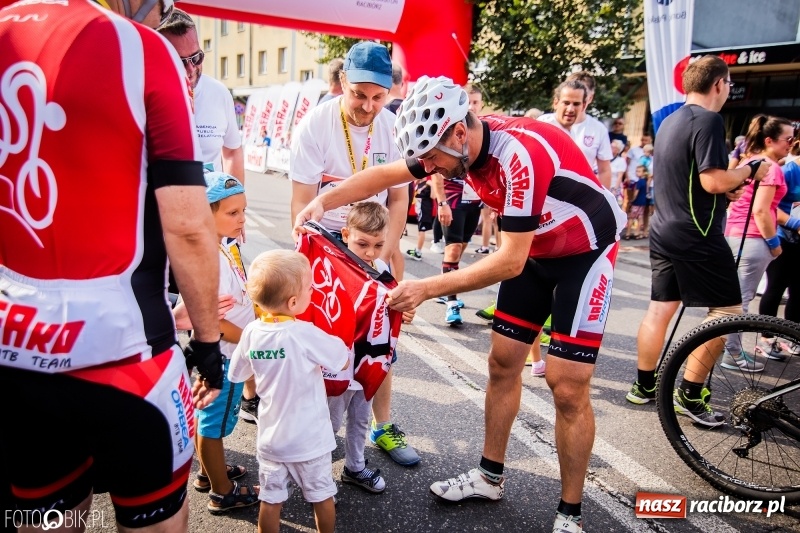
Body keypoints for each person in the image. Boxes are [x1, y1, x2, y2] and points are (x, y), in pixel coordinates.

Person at [295, 75, 627, 533]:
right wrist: (324, 201)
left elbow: (509, 261)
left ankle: (570, 514)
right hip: (533, 250)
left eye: (432, 157)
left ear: (457, 133)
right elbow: (385, 173)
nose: (429, 167)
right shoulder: (450, 143)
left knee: (567, 386)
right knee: (502, 363)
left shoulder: (519, 156)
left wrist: (427, 289)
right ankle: (490, 477)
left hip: (583, 252)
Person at [0, 1, 226, 531]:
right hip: (126, 356)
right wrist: (210, 347)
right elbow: (189, 227)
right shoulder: (143, 49)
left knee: (47, 520)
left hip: (14, 352)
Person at [289, 41, 419, 467]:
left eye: (378, 97)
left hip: (373, 245)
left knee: (378, 339)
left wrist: (387, 248)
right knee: (325, 341)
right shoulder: (315, 125)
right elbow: (303, 205)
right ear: (342, 81)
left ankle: (381, 427)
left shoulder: (393, 125)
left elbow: (399, 198)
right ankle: (311, 429)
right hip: (329, 246)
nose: (368, 106)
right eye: (359, 94)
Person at [626, 56, 771, 426]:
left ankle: (643, 387)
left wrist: (726, 192)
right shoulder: (708, 120)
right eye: (729, 86)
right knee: (726, 312)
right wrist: (750, 170)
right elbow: (711, 180)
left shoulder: (670, 120)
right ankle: (690, 395)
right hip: (697, 232)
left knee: (660, 308)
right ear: (719, 84)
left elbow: (696, 182)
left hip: (665, 226)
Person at [228, 249, 349, 533]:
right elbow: (341, 358)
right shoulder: (304, 333)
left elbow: (237, 374)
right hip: (309, 440)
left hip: (271, 439)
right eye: (310, 287)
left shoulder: (251, 332)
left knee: (270, 501)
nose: (313, 290)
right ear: (293, 302)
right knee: (322, 496)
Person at [174, 172, 259, 513]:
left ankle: (209, 473)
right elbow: (212, 320)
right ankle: (222, 491)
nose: (241, 219)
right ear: (204, 215)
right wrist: (254, 334)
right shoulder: (208, 257)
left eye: (243, 210)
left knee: (207, 418)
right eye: (232, 213)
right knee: (213, 425)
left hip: (222, 353)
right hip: (222, 355)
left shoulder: (221, 246)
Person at [329, 202, 399, 494]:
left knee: (360, 417)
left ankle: (355, 466)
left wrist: (404, 310)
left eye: (379, 245)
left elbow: (394, 304)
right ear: (345, 234)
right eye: (363, 244)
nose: (371, 252)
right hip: (338, 361)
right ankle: (318, 474)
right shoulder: (332, 266)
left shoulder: (382, 268)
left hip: (370, 360)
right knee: (329, 421)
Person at [721, 115, 792, 369]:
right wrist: (774, 244)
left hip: (735, 234)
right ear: (769, 140)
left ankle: (726, 350)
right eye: (788, 139)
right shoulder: (769, 167)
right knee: (740, 301)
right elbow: (761, 211)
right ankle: (733, 354)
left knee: (731, 299)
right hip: (752, 238)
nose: (792, 143)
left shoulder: (750, 161)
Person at [159, 9, 244, 179]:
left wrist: (234, 199)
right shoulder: (143, 97)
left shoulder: (219, 93)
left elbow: (232, 150)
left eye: (196, 57)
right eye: (180, 61)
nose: (191, 69)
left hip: (210, 204)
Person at [759, 139, 800, 355]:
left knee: (798, 292)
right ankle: (767, 338)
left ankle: (793, 337)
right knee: (775, 288)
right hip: (783, 237)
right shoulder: (788, 170)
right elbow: (769, 207)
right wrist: (796, 224)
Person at [540, 72, 612, 188]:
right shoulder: (543, 124)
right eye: (567, 101)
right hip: (547, 196)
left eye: (577, 102)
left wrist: (604, 202)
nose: (571, 108)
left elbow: (604, 170)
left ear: (588, 98)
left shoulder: (598, 129)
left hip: (579, 198)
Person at [407, 175, 434, 261]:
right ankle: (417, 250)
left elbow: (434, 196)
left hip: (425, 212)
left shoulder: (428, 184)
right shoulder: (419, 184)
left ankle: (418, 252)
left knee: (421, 231)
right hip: (419, 212)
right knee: (420, 231)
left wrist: (432, 185)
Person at [623, 165, 650, 240]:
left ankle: (628, 234)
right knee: (640, 217)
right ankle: (637, 233)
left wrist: (632, 200)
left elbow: (636, 193)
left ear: (644, 173)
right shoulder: (645, 181)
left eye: (639, 171)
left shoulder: (639, 182)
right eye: (636, 171)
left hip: (636, 202)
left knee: (631, 217)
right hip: (643, 202)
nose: (637, 173)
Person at [609, 139, 627, 204]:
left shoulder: (621, 161)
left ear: (618, 150)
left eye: (613, 147)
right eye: (610, 146)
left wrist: (615, 189)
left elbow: (620, 176)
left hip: (613, 187)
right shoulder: (605, 159)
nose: (610, 148)